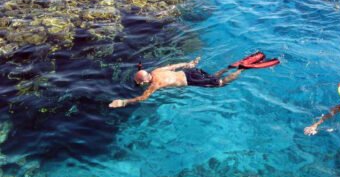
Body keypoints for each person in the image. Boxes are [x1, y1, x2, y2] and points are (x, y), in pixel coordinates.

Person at [109, 51, 280, 108]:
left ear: (145, 81)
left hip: (191, 81)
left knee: (219, 84)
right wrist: (190, 63)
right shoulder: (157, 70)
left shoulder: (155, 84)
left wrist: (124, 102)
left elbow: (142, 98)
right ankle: (230, 67)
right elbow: (174, 65)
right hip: (191, 72)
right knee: (213, 77)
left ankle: (242, 69)